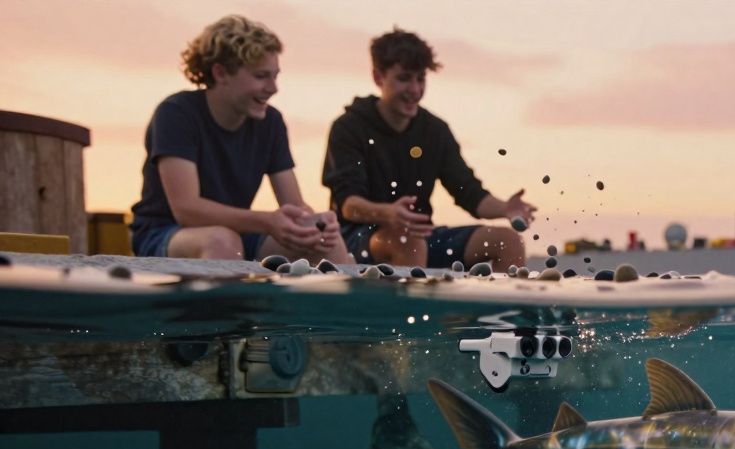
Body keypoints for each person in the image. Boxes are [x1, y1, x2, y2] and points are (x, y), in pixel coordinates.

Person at [129, 15, 352, 264]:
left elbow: (294, 205)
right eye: (261, 76)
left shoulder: (271, 122)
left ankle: (350, 290)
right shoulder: (177, 114)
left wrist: (317, 223)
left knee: (322, 239)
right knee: (222, 241)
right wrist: (267, 221)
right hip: (166, 232)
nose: (273, 88)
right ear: (221, 73)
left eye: (275, 76)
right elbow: (186, 211)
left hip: (238, 232)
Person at [322, 27, 534, 272]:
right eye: (404, 78)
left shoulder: (435, 131)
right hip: (359, 239)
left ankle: (501, 302)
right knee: (408, 241)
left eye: (420, 79)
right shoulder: (349, 127)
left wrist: (506, 208)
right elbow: (348, 205)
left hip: (420, 237)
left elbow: (469, 192)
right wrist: (388, 213)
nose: (414, 89)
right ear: (379, 78)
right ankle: (407, 299)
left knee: (509, 242)